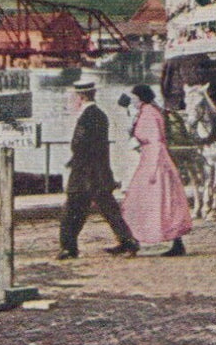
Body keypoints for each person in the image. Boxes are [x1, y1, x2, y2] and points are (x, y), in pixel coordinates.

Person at [59, 81, 138, 259]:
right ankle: (128, 242)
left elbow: (79, 144)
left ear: (81, 97)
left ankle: (68, 247)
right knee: (108, 209)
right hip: (98, 172)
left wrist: (74, 160)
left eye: (74, 96)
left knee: (73, 209)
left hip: (85, 172)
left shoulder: (88, 115)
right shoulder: (98, 114)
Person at [119, 85, 192, 257]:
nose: (133, 102)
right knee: (152, 202)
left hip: (154, 161)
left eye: (135, 98)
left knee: (156, 202)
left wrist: (153, 168)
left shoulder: (150, 113)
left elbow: (156, 141)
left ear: (141, 98)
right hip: (150, 159)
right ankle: (133, 240)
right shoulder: (147, 111)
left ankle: (135, 242)